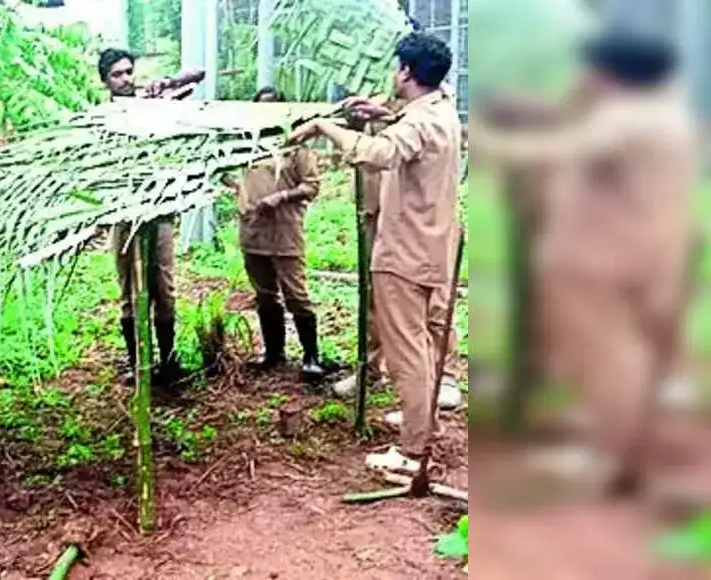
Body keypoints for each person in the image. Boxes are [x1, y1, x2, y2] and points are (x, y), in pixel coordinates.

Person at [475, 29, 698, 495]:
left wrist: (483, 140)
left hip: (601, 258)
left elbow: (553, 150)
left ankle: (610, 459)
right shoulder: (666, 112)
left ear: (608, 72)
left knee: (608, 357)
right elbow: (570, 121)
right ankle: (627, 443)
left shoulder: (623, 120)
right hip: (650, 251)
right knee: (634, 355)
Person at [289, 32, 463, 474]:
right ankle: (423, 425)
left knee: (406, 351)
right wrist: (383, 114)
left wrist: (324, 126)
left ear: (405, 71)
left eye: (396, 66)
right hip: (432, 247)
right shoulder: (441, 109)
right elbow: (409, 135)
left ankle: (411, 451)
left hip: (405, 253)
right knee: (422, 347)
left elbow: (375, 154)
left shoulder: (419, 122)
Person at [97, 47, 188, 387]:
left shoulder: (154, 105)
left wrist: (164, 87)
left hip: (159, 212)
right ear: (105, 79)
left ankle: (168, 358)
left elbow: (196, 76)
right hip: (123, 215)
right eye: (117, 74)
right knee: (130, 290)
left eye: (129, 71)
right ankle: (137, 362)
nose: (126, 79)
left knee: (163, 287)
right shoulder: (102, 117)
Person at [232, 87, 326, 384]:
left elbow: (311, 185)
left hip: (284, 229)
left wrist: (281, 196)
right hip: (253, 230)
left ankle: (312, 356)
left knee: (296, 295)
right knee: (264, 295)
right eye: (260, 108)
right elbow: (231, 176)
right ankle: (274, 352)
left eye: (272, 108)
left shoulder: (296, 146)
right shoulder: (247, 145)